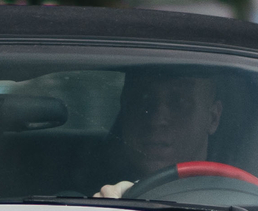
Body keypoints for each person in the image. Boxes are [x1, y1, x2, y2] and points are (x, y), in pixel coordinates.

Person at [96, 71, 226, 199]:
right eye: (142, 98)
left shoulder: (238, 204)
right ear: (125, 107)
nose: (156, 120)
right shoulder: (84, 203)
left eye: (179, 102)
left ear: (213, 118)